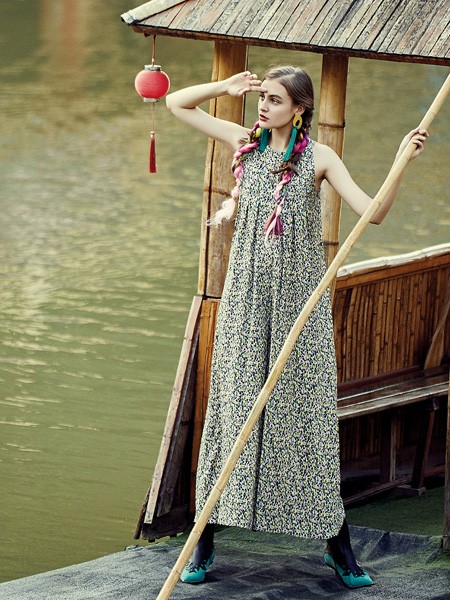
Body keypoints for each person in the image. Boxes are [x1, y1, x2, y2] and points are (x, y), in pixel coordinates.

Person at [165, 67, 428, 589]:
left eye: (275, 100)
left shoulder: (320, 158)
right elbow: (177, 104)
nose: (263, 107)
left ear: (299, 108)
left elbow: (372, 213)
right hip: (245, 301)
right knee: (233, 411)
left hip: (298, 304)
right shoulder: (244, 143)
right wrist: (224, 88)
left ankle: (337, 546)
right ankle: (205, 539)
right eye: (262, 97)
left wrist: (401, 161)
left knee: (305, 416)